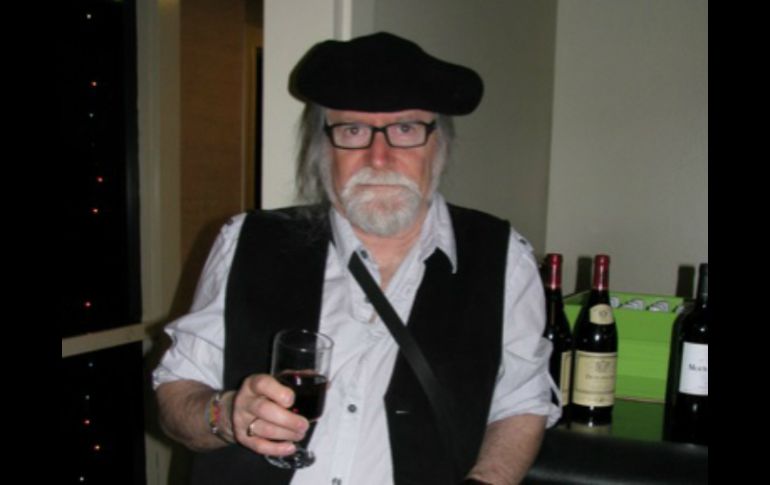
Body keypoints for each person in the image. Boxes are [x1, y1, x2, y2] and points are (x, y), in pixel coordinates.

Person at [153, 31, 560, 485]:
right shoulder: (245, 241)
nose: (378, 157)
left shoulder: (503, 257)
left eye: (405, 129)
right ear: (321, 149)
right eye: (352, 131)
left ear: (438, 146)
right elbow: (175, 394)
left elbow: (521, 403)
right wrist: (227, 414)